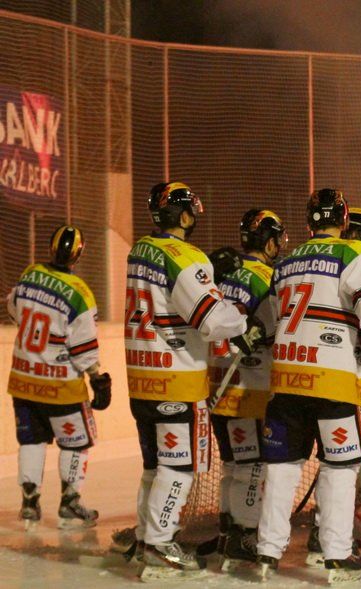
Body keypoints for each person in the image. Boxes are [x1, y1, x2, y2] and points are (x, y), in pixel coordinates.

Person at [254, 188, 361, 584]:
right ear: (344, 220)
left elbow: (271, 318)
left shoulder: (286, 262)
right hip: (333, 381)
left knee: (282, 468)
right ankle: (335, 552)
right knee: (340, 466)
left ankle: (267, 552)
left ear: (309, 221)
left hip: (286, 378)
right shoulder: (356, 253)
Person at [125, 182, 262, 579]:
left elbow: (169, 296)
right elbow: (212, 320)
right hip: (177, 378)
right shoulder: (186, 256)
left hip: (141, 376)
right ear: (184, 215)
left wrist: (210, 273)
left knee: (153, 467)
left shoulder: (139, 250)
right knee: (179, 467)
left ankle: (145, 538)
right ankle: (160, 543)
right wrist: (242, 322)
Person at [7, 225, 111, 531]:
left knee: (31, 441)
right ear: (78, 254)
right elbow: (83, 348)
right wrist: (97, 378)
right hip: (62, 388)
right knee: (77, 443)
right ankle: (69, 504)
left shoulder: (29, 274)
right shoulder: (80, 292)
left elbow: (13, 309)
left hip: (23, 380)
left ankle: (29, 504)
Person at [208, 209, 287, 570]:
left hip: (216, 384)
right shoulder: (268, 278)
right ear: (269, 242)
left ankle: (228, 531)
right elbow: (272, 331)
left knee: (232, 465)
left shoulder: (222, 276)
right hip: (249, 390)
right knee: (252, 467)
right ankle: (243, 535)